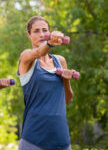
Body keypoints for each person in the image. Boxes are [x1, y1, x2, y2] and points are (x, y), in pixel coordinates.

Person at [17, 16, 74, 150]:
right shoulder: (26, 58)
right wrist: (49, 43)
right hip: (34, 139)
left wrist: (66, 81)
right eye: (36, 31)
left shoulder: (60, 61)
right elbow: (37, 52)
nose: (41, 34)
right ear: (29, 35)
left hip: (62, 138)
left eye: (45, 30)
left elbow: (68, 99)